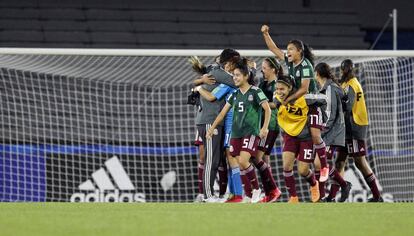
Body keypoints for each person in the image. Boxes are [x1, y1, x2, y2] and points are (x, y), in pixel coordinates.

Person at [261, 25, 329, 182]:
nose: (288, 52)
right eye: (288, 49)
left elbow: (304, 89)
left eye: (291, 49)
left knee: (315, 135)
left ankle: (324, 166)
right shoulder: (290, 62)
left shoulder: (306, 66)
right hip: (299, 105)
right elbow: (273, 49)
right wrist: (266, 34)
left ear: (300, 52)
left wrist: (286, 100)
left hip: (312, 104)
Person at [207, 57, 271, 203]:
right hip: (236, 134)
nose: (234, 78)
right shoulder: (234, 94)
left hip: (251, 132)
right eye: (234, 75)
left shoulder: (255, 91)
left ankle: (256, 189)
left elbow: (267, 109)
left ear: (246, 76)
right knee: (238, 162)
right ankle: (250, 191)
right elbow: (223, 113)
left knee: (243, 160)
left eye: (237, 75)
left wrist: (265, 127)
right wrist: (211, 128)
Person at [328, 59, 383, 202]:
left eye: (347, 69)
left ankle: (377, 196)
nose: (345, 72)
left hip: (354, 127)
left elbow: (348, 105)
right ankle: (331, 197)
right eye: (345, 69)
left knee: (360, 162)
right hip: (346, 128)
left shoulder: (352, 84)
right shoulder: (345, 84)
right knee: (340, 161)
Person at [191, 49, 240, 202]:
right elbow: (238, 81)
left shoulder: (214, 71)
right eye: (235, 63)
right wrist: (248, 69)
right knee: (211, 159)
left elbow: (197, 81)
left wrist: (199, 81)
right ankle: (207, 195)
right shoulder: (219, 73)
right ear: (230, 61)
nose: (236, 68)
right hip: (209, 121)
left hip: (213, 120)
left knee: (216, 159)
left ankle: (211, 194)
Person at [274, 75, 326, 203]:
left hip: (306, 137)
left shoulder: (304, 99)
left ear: (290, 88)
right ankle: (293, 197)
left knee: (303, 171)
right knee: (286, 166)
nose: (279, 92)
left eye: (282, 89)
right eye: (277, 89)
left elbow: (322, 100)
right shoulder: (276, 99)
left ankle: (314, 184)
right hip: (290, 136)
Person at [314, 62, 352, 202]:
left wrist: (322, 131)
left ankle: (342, 185)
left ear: (317, 74)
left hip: (332, 132)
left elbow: (330, 114)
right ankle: (324, 195)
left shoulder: (330, 89)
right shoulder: (330, 87)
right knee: (321, 163)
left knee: (321, 163)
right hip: (335, 131)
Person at [253, 57, 283, 202]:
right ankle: (269, 194)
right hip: (263, 123)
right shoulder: (263, 83)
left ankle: (273, 190)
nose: (262, 70)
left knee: (256, 157)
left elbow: (277, 104)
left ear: (273, 69)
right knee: (264, 158)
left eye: (264, 68)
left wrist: (262, 103)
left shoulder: (278, 85)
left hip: (270, 124)